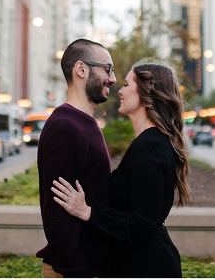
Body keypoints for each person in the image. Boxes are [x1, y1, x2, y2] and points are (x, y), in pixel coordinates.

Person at [51, 60, 192, 277]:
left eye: (127, 84)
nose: (120, 90)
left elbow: (141, 226)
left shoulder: (149, 147)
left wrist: (87, 212)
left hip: (145, 267)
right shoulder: (153, 142)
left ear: (145, 92)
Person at [36, 39, 117, 278]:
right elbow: (57, 214)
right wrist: (78, 272)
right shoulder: (65, 128)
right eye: (107, 69)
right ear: (81, 70)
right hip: (73, 271)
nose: (112, 79)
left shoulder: (83, 123)